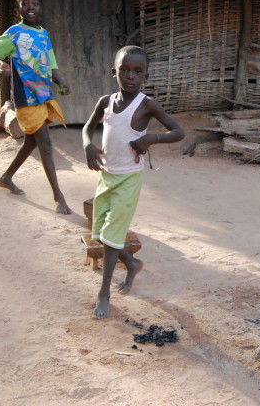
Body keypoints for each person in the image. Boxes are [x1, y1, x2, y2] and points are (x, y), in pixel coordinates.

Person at [82, 46, 185, 319]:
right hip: (107, 176)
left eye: (137, 72)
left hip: (129, 179)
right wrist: (87, 145)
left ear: (145, 75)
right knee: (105, 234)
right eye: (125, 70)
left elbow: (178, 132)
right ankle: (132, 262)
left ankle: (104, 292)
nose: (130, 76)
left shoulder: (146, 104)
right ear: (113, 71)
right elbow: (88, 127)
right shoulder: (106, 102)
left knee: (110, 235)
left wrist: (152, 138)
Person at [0, 0, 73, 214]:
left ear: (40, 7)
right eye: (26, 4)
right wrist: (0, 65)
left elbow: (50, 65)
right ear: (20, 8)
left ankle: (6, 177)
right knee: (45, 145)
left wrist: (61, 82)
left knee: (31, 142)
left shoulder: (44, 35)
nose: (31, 7)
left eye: (35, 4)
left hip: (43, 94)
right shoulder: (14, 33)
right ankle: (59, 197)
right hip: (26, 96)